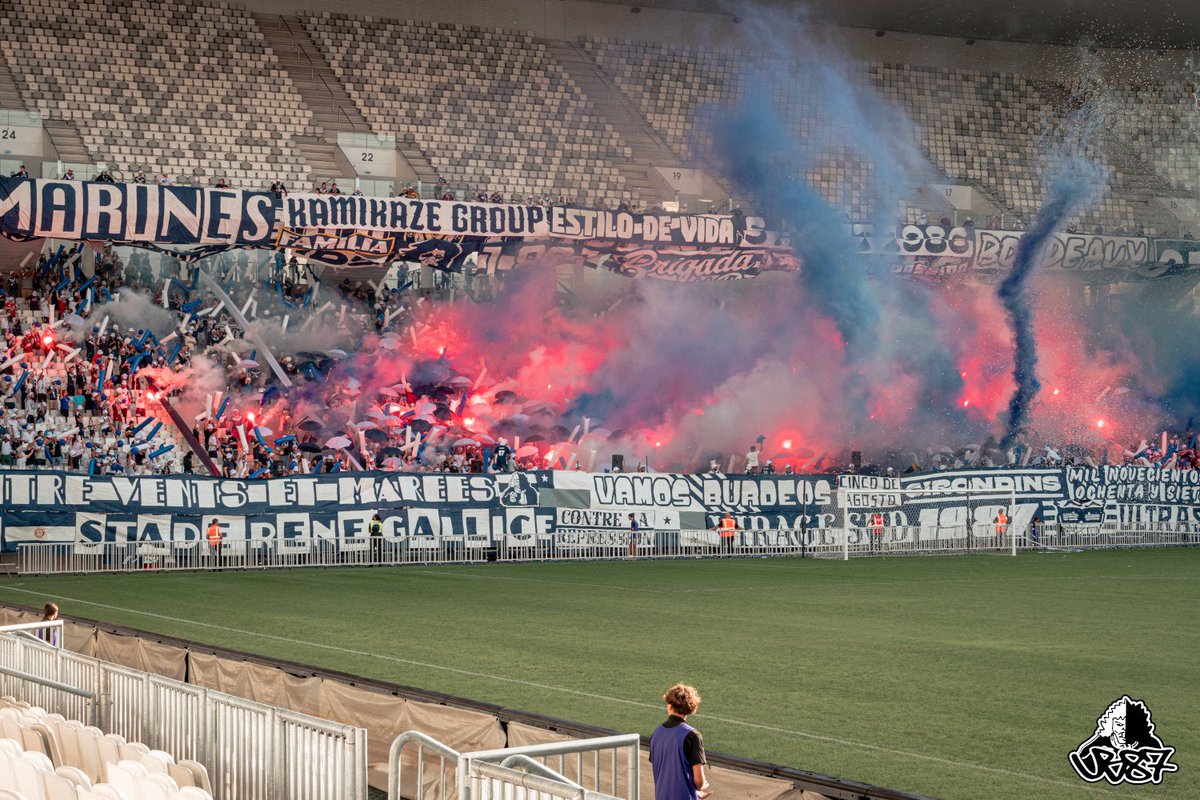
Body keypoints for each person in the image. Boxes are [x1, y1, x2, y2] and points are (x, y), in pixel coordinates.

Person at [650, 683, 710, 800]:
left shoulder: (656, 733)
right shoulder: (693, 736)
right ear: (691, 709)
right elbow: (698, 781)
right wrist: (702, 786)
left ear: (669, 706)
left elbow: (666, 772)